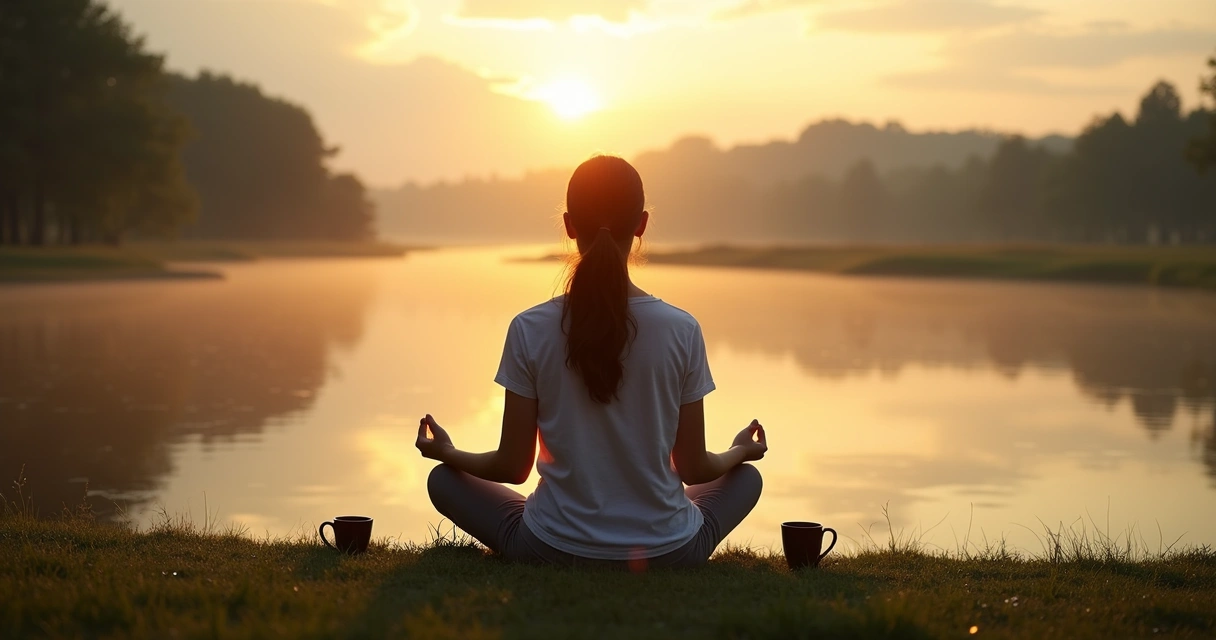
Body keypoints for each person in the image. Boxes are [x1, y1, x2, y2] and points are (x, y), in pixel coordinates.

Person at [416, 155, 767, 569]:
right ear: (641, 225)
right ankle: (660, 523)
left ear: (568, 225)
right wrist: (737, 452)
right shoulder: (681, 328)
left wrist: (449, 453)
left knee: (443, 481)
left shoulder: (529, 327)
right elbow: (694, 468)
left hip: (550, 547)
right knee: (746, 478)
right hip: (669, 552)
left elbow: (512, 466)